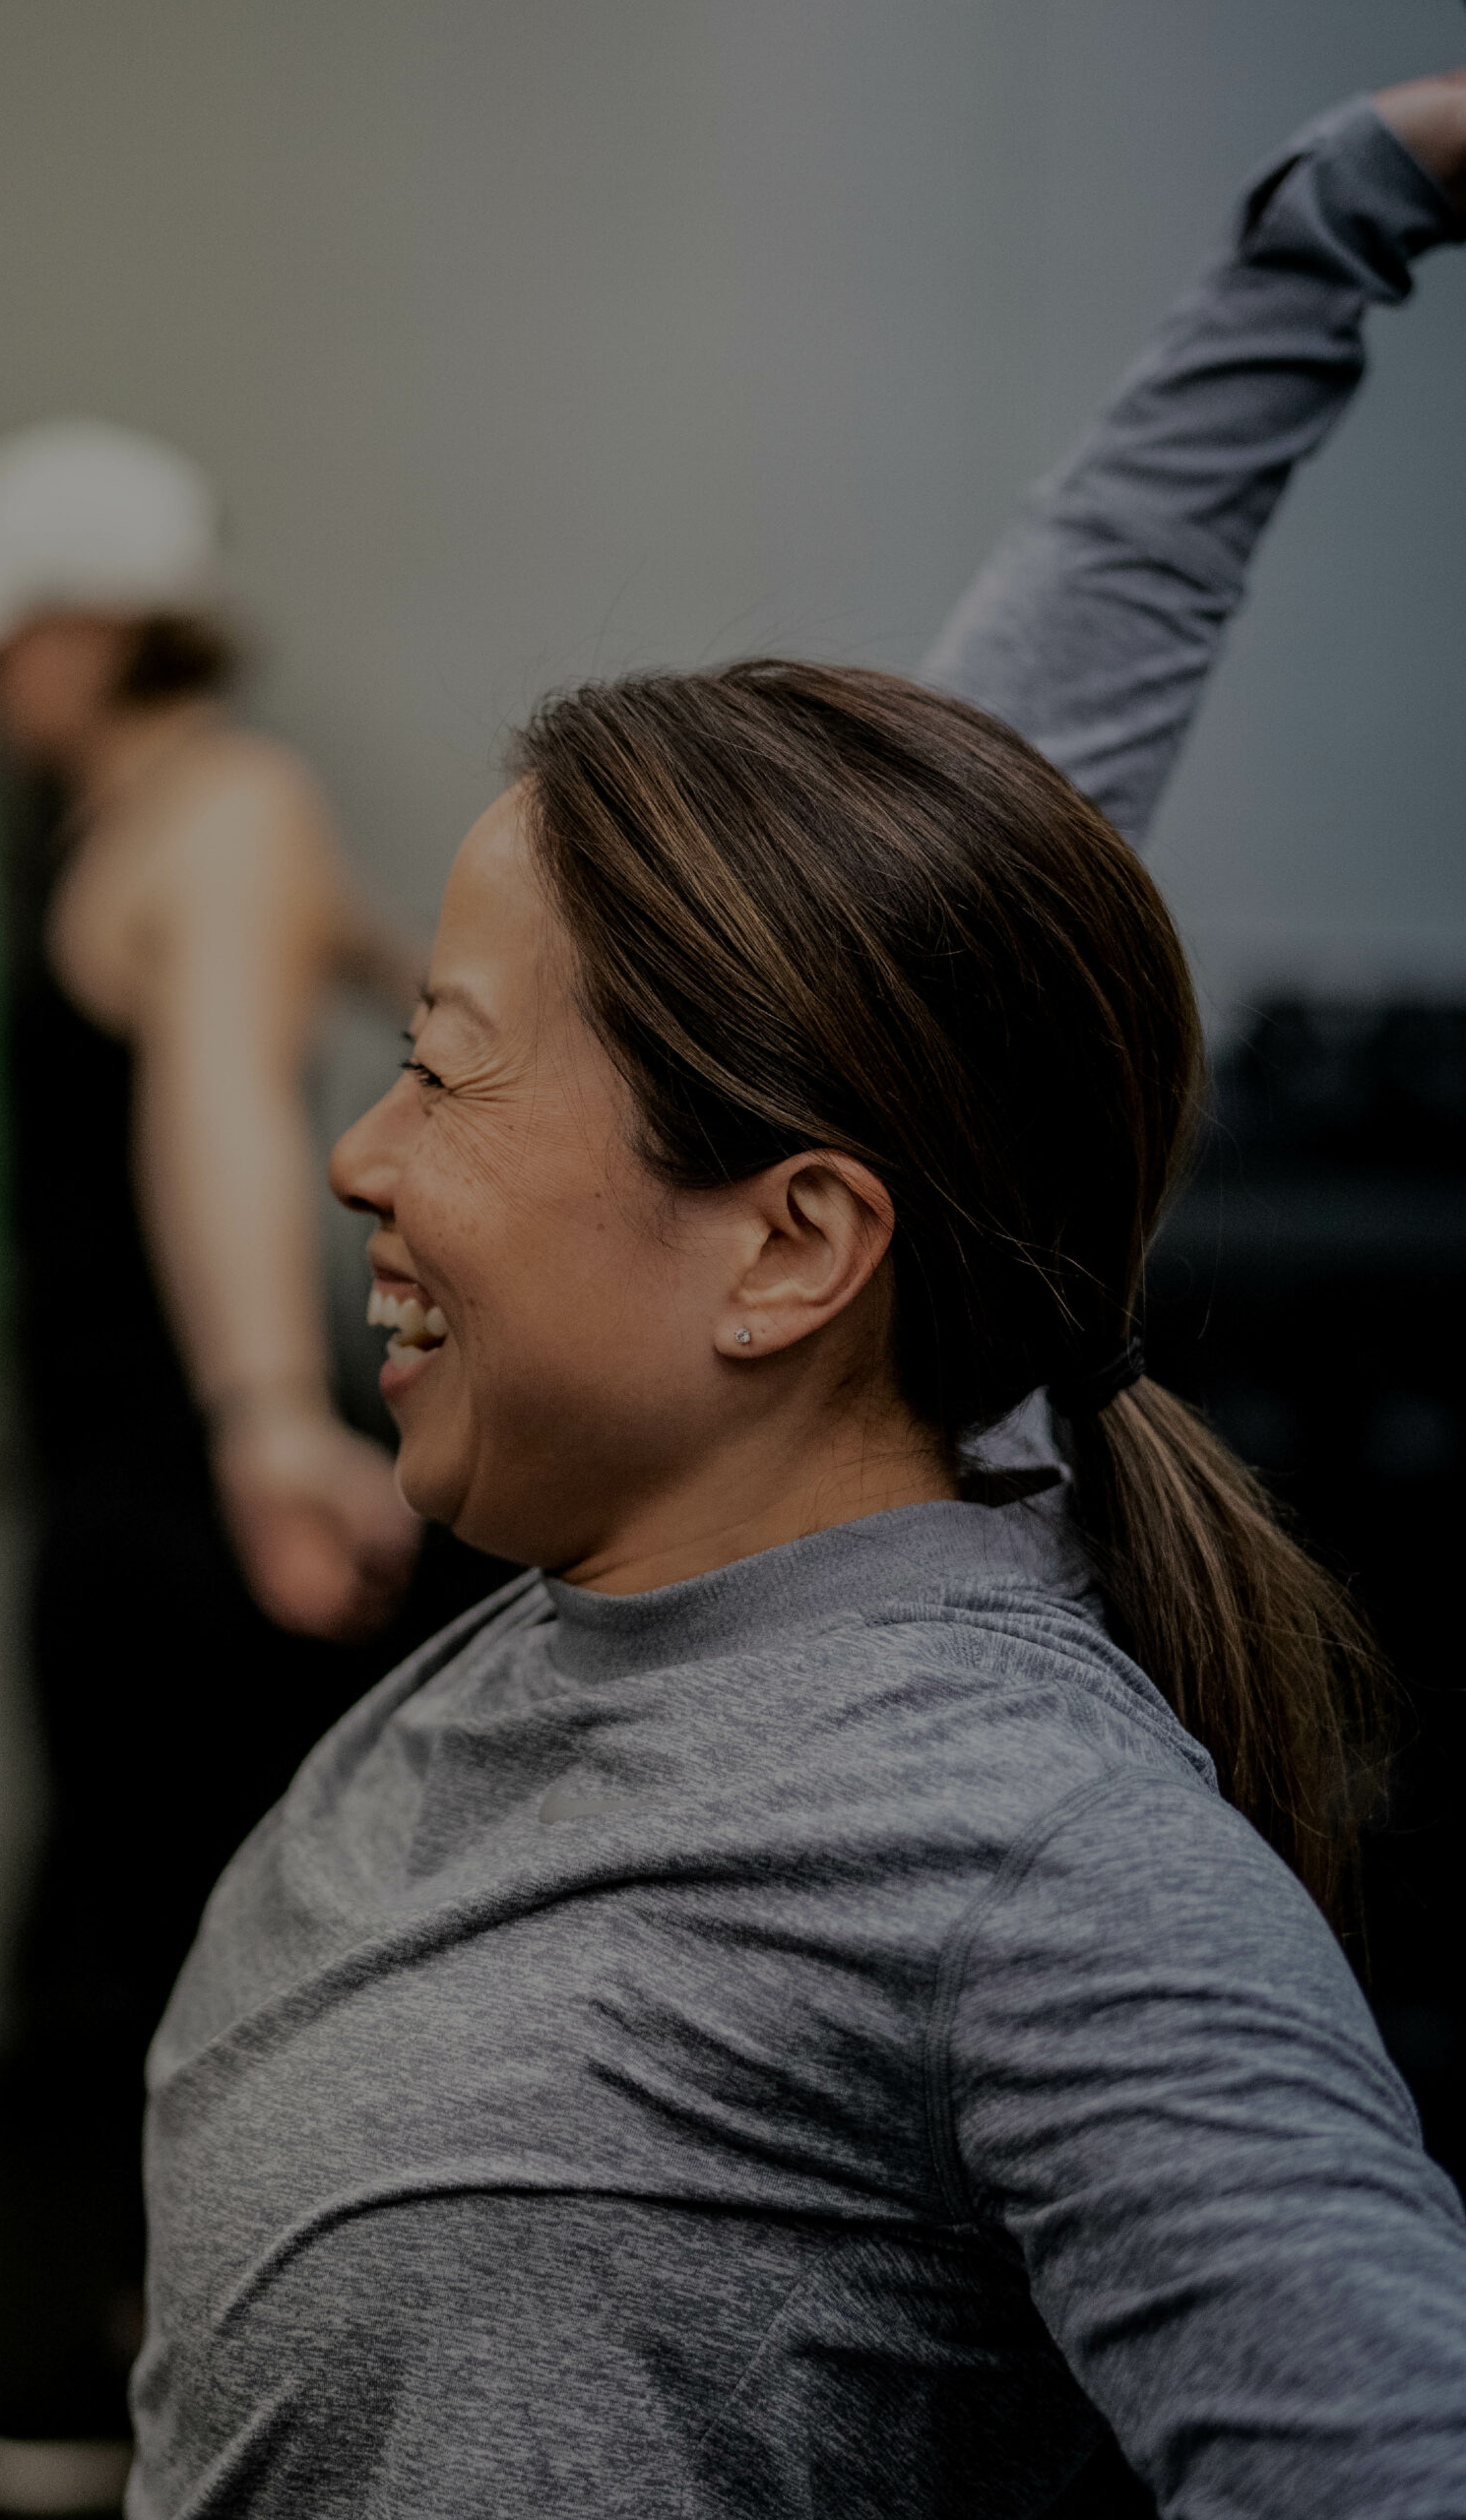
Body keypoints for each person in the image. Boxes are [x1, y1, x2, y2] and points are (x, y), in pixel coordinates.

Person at [124, 78, 1466, 2520]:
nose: (361, 1149)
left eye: (438, 1069)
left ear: (791, 1245)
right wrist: (1329, 226)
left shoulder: (1035, 1865)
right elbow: (962, 843)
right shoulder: (735, 1485)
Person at [0, 421, 499, 2510]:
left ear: (92, 628)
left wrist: (258, 1423)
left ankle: (176, 2386)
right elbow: (358, 965)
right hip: (130, 1462)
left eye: (7, 637)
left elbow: (217, 1106)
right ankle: (167, 2353)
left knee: (160, 1943)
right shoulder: (197, 816)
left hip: (172, 1470)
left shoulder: (207, 815)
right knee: (155, 1915)